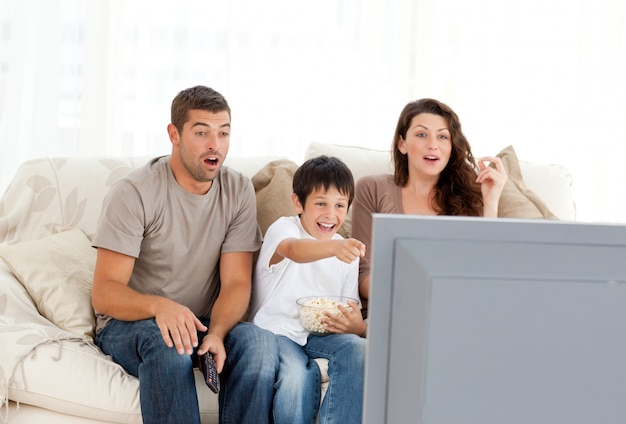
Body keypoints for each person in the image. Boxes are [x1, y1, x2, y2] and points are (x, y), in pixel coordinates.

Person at [91, 85, 278, 424]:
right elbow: (104, 292)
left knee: (259, 346)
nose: (215, 145)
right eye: (201, 132)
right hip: (133, 324)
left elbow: (236, 282)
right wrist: (159, 306)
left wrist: (218, 333)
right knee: (170, 345)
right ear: (173, 134)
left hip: (202, 322)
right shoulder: (135, 192)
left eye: (223, 133)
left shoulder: (237, 190)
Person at [352, 97, 508, 302]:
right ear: (402, 144)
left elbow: (487, 274)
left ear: (452, 147)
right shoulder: (371, 188)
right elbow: (364, 275)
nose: (433, 145)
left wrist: (490, 204)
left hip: (455, 307)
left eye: (443, 137)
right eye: (421, 134)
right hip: (396, 308)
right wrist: (415, 296)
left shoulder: (469, 196)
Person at [248, 155, 367, 424]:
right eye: (320, 204)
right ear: (298, 203)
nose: (330, 214)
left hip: (320, 333)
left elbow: (349, 306)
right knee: (297, 376)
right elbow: (294, 251)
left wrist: (356, 325)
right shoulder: (284, 229)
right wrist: (335, 248)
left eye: (340, 205)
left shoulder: (345, 250)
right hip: (278, 331)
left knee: (360, 350)